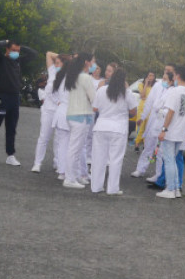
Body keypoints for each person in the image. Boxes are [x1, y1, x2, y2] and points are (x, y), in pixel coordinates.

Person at [0, 38, 36, 166]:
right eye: (13, 50)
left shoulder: (18, 61)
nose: (16, 53)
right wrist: (6, 41)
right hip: (2, 98)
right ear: (7, 49)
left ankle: (10, 155)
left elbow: (34, 54)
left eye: (17, 51)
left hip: (14, 98)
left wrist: (21, 47)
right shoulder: (0, 59)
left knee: (11, 127)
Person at [90, 67, 138, 195]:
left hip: (101, 127)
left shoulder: (101, 90)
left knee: (98, 158)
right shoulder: (127, 93)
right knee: (115, 160)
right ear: (124, 80)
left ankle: (96, 187)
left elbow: (94, 108)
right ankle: (112, 189)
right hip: (118, 128)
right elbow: (134, 112)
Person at [156, 65, 185, 199]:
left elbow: (170, 112)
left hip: (172, 131)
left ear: (177, 75)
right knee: (174, 160)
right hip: (182, 132)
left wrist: (163, 130)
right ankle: (177, 188)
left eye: (173, 74)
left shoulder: (175, 91)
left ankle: (170, 189)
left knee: (169, 160)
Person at [132, 64, 174, 178]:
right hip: (153, 120)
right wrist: (142, 117)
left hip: (164, 122)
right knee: (148, 146)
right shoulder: (158, 85)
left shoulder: (174, 89)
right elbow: (149, 102)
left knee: (160, 151)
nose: (165, 74)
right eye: (165, 71)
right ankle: (140, 169)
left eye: (168, 72)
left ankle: (158, 174)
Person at [61, 52, 96, 189]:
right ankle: (70, 178)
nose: (93, 64)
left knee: (75, 148)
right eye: (92, 61)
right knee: (75, 149)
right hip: (81, 116)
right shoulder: (85, 78)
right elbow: (94, 98)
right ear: (86, 62)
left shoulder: (73, 76)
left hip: (73, 115)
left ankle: (73, 176)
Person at [31, 52, 63, 173]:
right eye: (56, 63)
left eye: (59, 63)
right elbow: (49, 54)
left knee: (59, 139)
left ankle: (58, 162)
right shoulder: (53, 71)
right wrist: (62, 57)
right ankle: (37, 163)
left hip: (60, 111)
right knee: (44, 137)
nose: (56, 65)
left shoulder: (68, 75)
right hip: (49, 110)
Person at [134, 71, 158, 149]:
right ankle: (137, 143)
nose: (151, 77)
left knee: (148, 127)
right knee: (140, 126)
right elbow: (142, 95)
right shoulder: (141, 85)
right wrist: (146, 84)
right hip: (142, 108)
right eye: (149, 75)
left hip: (151, 109)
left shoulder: (155, 86)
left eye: (152, 76)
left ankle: (145, 144)